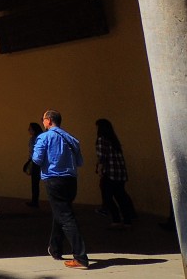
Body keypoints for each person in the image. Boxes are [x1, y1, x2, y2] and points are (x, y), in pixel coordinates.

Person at [32, 109, 88, 269]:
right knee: (61, 213)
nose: (42, 122)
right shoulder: (71, 138)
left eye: (43, 119)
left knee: (66, 217)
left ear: (49, 120)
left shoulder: (44, 137)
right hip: (71, 180)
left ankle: (81, 256)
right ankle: (55, 248)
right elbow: (80, 161)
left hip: (54, 180)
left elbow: (37, 159)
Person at [95, 118, 136, 228]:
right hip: (120, 173)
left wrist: (100, 169)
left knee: (107, 197)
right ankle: (127, 220)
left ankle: (116, 219)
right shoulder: (114, 140)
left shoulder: (101, 140)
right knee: (120, 196)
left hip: (109, 172)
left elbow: (102, 157)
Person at [23, 122, 43, 208]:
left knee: (35, 182)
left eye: (30, 129)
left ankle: (35, 202)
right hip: (37, 161)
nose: (28, 130)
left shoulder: (35, 139)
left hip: (35, 162)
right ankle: (34, 201)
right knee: (35, 182)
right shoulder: (38, 138)